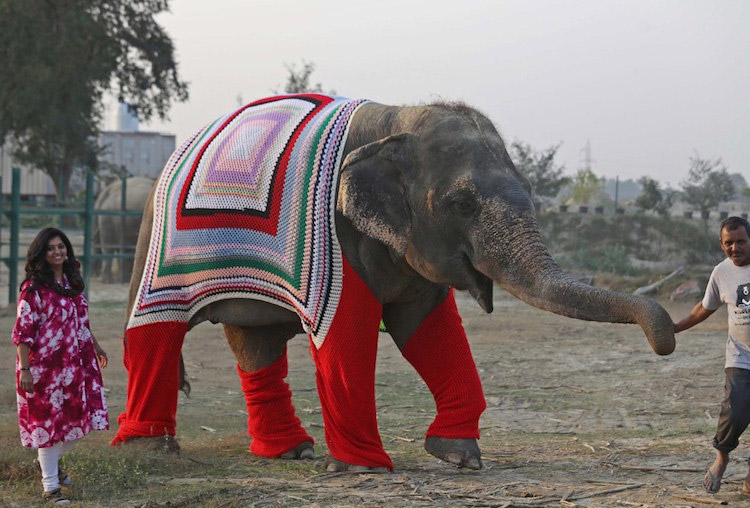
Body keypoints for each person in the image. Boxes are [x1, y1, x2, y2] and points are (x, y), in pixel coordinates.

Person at [12, 228, 109, 505]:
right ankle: (50, 488)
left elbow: (81, 320)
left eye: (61, 247)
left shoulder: (72, 281)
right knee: (49, 427)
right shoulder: (33, 289)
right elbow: (23, 333)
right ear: (42, 254)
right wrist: (26, 370)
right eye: (51, 248)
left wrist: (96, 345)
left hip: (76, 363)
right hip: (45, 369)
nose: (58, 252)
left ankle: (46, 464)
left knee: (82, 419)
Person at [673, 216, 750, 495]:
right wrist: (676, 327)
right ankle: (722, 457)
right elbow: (704, 308)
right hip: (740, 357)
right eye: (729, 243)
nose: (735, 247)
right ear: (721, 243)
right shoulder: (721, 273)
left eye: (741, 241)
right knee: (735, 408)